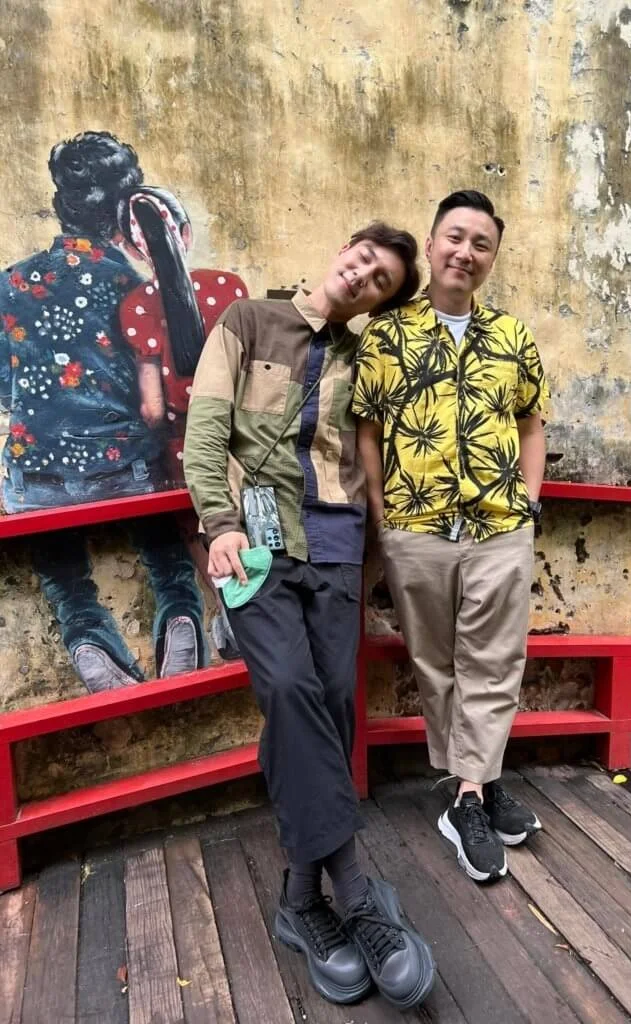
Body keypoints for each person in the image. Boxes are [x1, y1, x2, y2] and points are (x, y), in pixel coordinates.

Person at [183, 223, 436, 1009]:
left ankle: (299, 899)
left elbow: (380, 458)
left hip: (334, 546)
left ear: (381, 302)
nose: (362, 276)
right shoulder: (249, 321)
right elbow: (204, 429)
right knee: (290, 689)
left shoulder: (368, 362)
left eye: (381, 280)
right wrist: (219, 524)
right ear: (343, 250)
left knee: (332, 702)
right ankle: (355, 891)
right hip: (252, 548)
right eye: (363, 259)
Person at [354, 190, 548, 883]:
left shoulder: (512, 337)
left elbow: (531, 423)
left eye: (481, 244)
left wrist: (528, 504)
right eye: (456, 238)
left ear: (492, 258)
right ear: (433, 243)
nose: (466, 252)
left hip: (499, 526)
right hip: (416, 527)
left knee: (494, 661)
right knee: (436, 663)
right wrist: (384, 517)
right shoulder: (385, 335)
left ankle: (468, 797)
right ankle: (480, 783)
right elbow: (368, 431)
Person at [0, 131, 204, 691]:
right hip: (124, 467)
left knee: (67, 586)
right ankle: (180, 613)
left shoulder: (9, 284)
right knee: (168, 561)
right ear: (126, 209)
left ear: (59, 205)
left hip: (35, 474)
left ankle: (87, 637)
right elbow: (162, 390)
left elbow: (4, 385)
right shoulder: (136, 287)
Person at [117, 185, 249, 660]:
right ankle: (252, 608)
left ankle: (227, 608)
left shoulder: (136, 306)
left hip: (185, 446)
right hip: (239, 439)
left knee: (200, 529)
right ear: (187, 233)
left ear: (131, 249)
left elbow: (152, 408)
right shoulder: (229, 287)